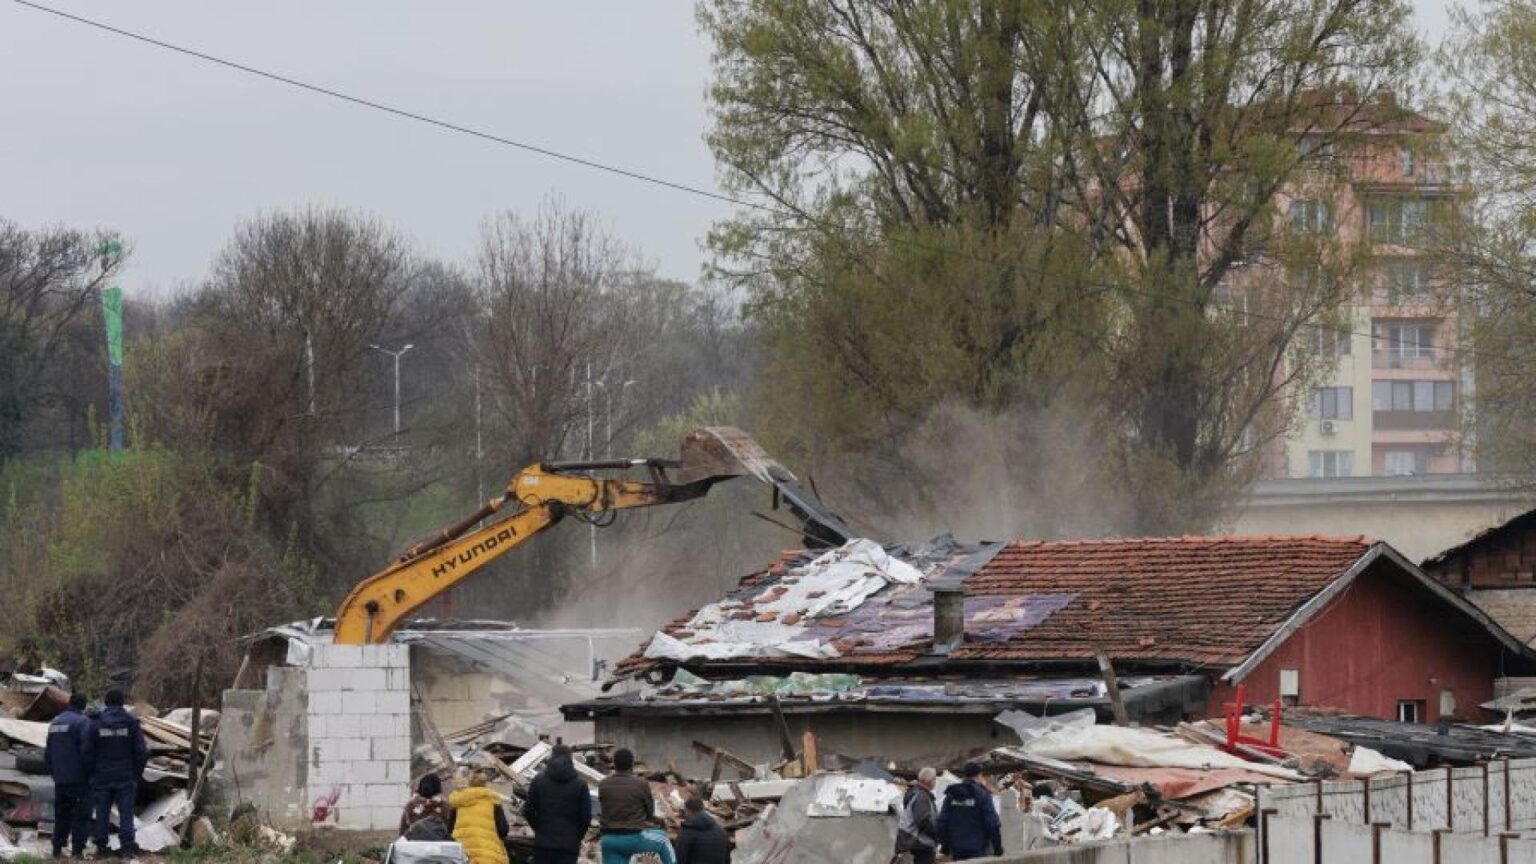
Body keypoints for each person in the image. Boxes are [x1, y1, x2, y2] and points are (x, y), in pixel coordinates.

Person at [90, 689, 147, 858]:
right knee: (126, 812)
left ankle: (101, 848)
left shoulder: (96, 722)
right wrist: (136, 774)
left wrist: (93, 771)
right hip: (125, 776)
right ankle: (127, 848)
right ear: (122, 703)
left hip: (102, 775)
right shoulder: (131, 722)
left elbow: (87, 750)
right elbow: (141, 752)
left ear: (106, 703)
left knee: (101, 811)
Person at [597, 748, 674, 864]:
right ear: (632, 765)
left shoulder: (603, 784)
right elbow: (649, 813)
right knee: (663, 840)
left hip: (608, 840)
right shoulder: (641, 784)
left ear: (614, 764)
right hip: (633, 838)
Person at [523, 745, 592, 864]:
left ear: (551, 757)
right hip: (569, 845)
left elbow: (528, 810)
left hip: (544, 844)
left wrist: (539, 828)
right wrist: (576, 836)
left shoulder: (538, 780)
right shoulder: (580, 784)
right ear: (571, 758)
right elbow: (586, 817)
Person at [45, 692, 93, 859]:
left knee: (61, 814)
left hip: (60, 778)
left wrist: (54, 773)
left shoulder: (55, 722)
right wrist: (90, 773)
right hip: (79, 779)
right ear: (83, 706)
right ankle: (77, 852)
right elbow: (87, 751)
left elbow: (48, 753)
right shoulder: (83, 722)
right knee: (81, 814)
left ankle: (57, 849)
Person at [937, 762, 1002, 861]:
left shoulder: (952, 794)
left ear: (965, 775)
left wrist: (945, 847)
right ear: (979, 775)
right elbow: (992, 823)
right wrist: (998, 848)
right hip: (979, 849)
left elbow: (942, 821)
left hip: (957, 849)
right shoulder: (982, 795)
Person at [449, 772, 509, 864]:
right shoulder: (493, 800)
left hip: (461, 855)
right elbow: (503, 830)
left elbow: (449, 829)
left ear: (469, 783)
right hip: (487, 854)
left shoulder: (459, 801)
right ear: (485, 783)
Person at [893, 767, 939, 864]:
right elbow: (924, 821)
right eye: (935, 779)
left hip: (911, 843)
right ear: (929, 781)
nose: (936, 781)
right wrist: (938, 834)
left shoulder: (916, 793)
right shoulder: (921, 797)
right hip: (919, 845)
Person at [675, 797, 729, 864]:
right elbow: (727, 860)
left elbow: (680, 859)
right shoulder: (722, 832)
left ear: (688, 810)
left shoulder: (686, 832)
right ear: (703, 808)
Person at [399, 773, 452, 840]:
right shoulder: (444, 806)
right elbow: (450, 830)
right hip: (437, 847)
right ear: (438, 788)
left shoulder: (410, 805)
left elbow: (402, 831)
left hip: (413, 847)